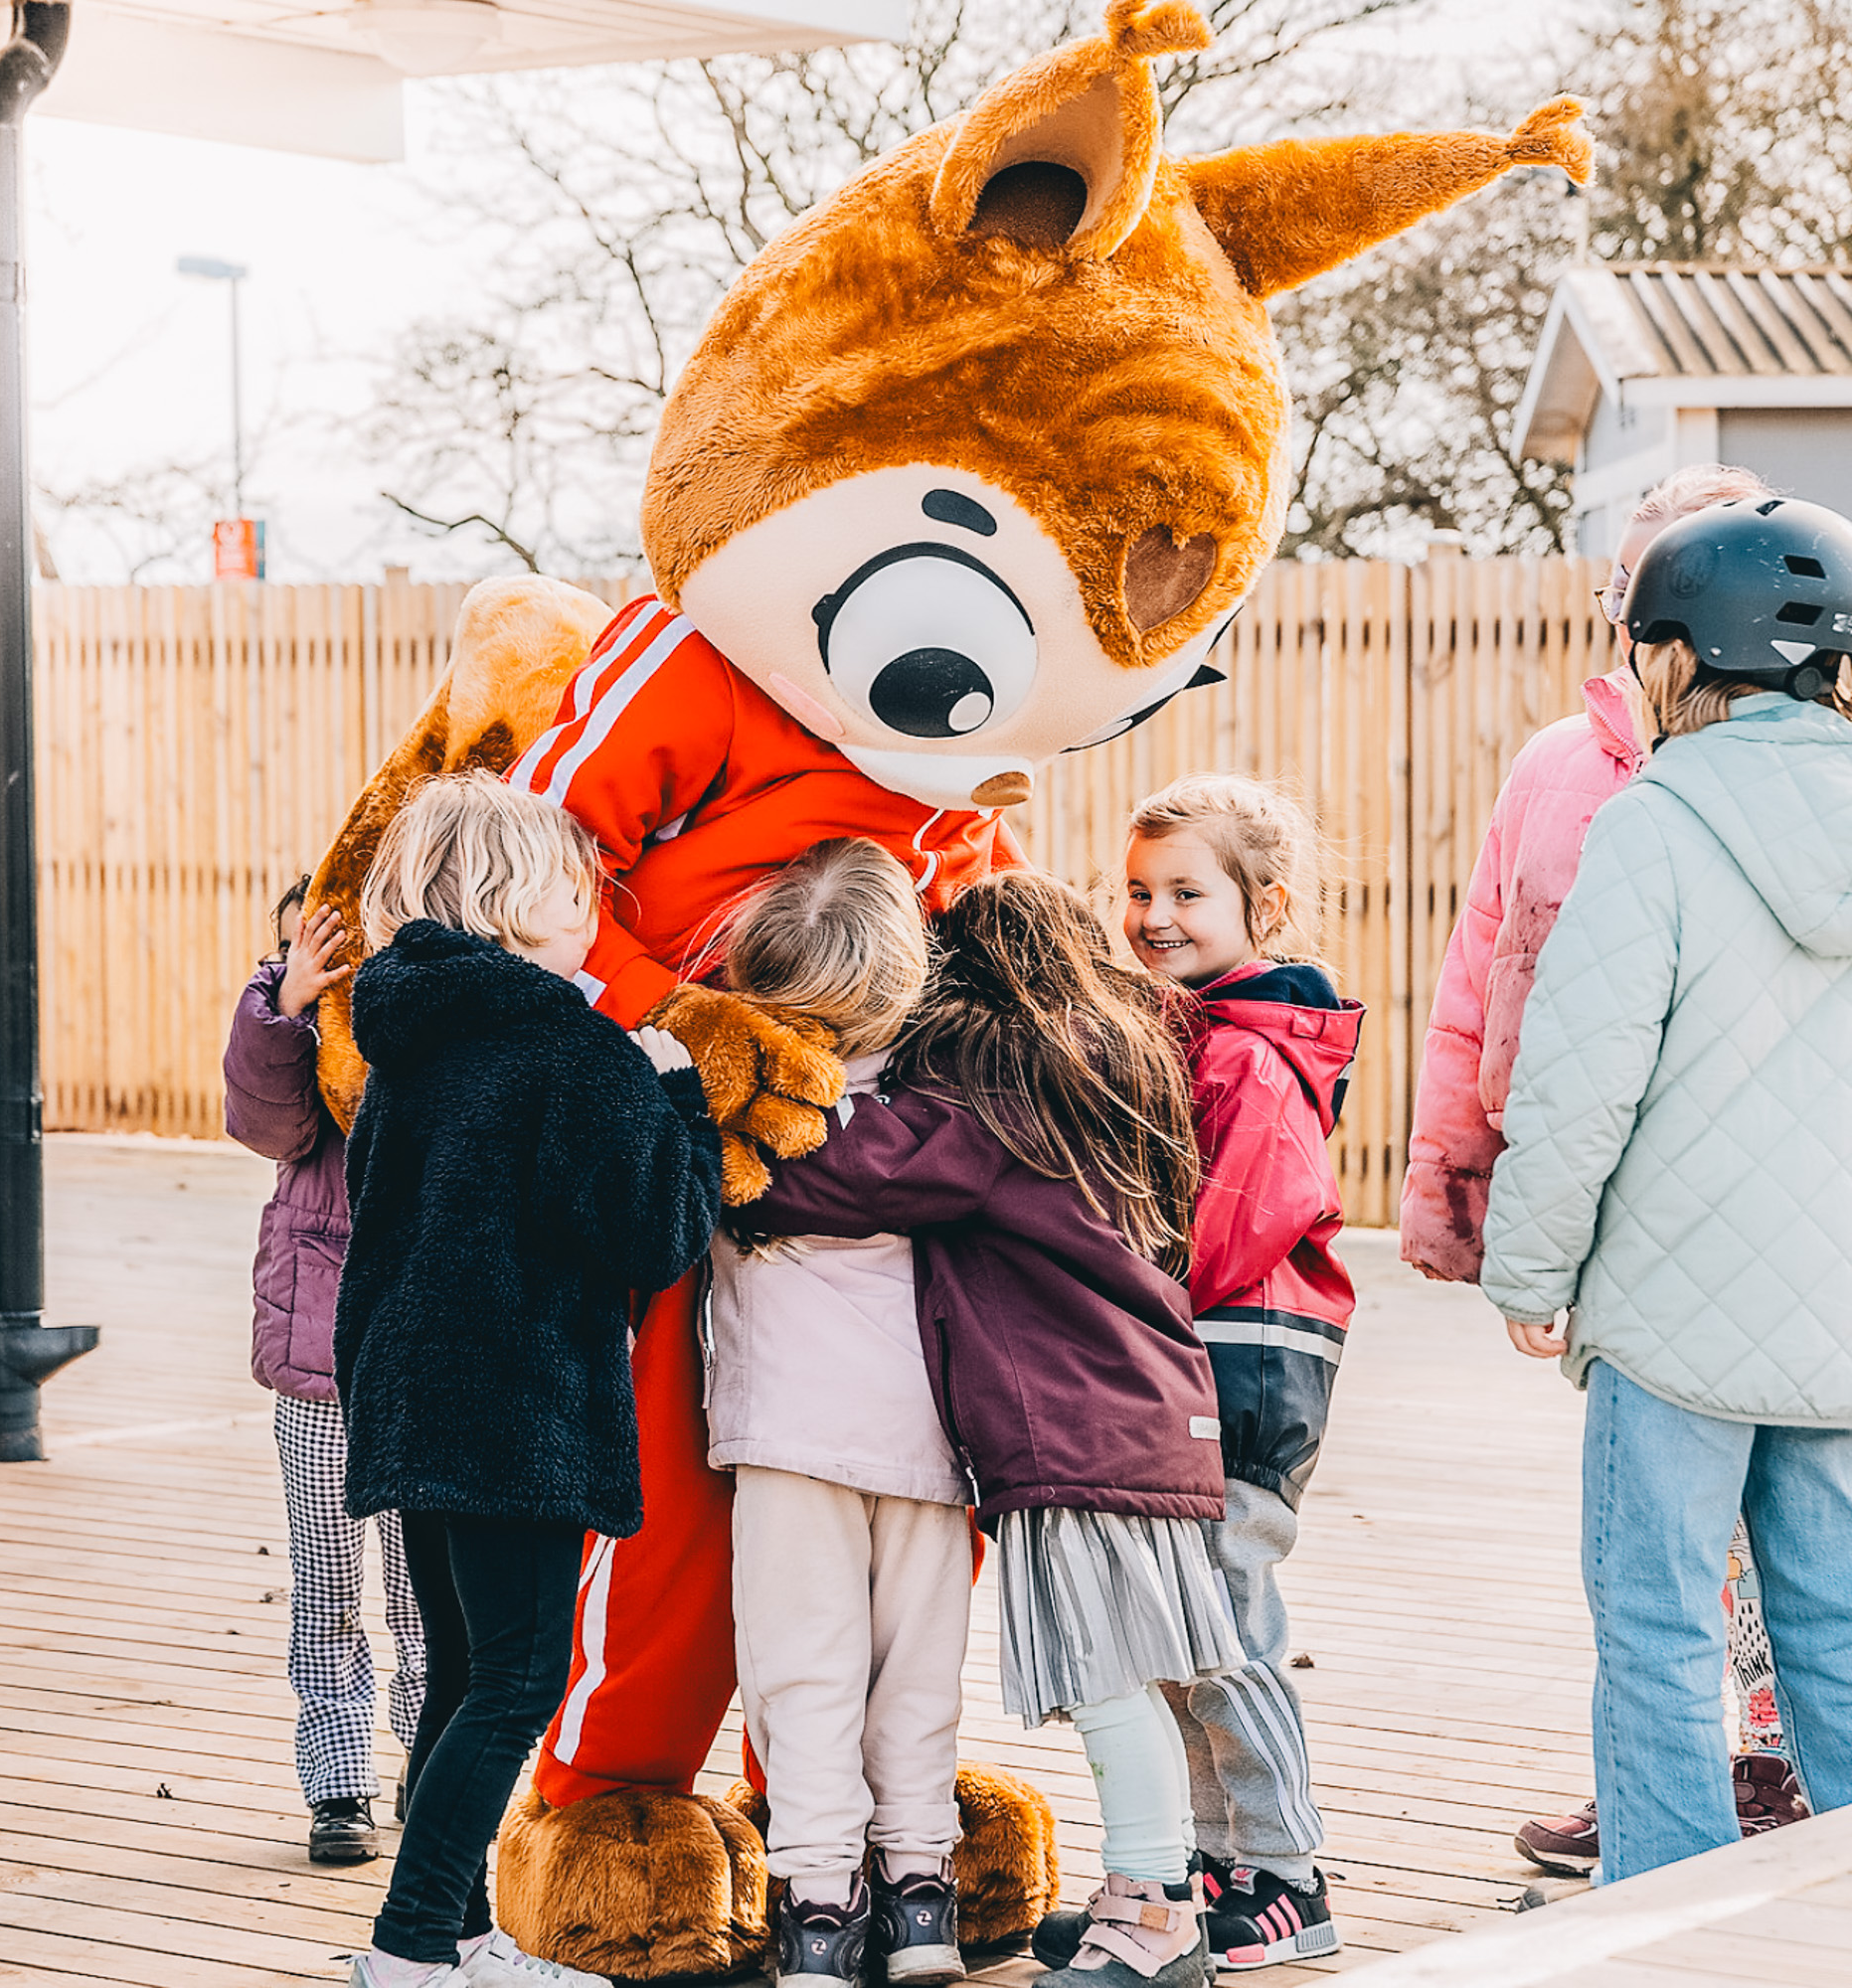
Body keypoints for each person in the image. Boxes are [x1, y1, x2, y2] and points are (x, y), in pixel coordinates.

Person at [1398, 463, 1808, 1873]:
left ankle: (1672, 1893)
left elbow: (1583, 1081)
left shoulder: (1657, 819)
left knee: (1654, 1606)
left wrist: (1531, 1266)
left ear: (1681, 650)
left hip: (1666, 1295)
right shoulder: (1583, 782)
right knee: (1831, 1613)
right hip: (1826, 1297)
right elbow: (1506, 1001)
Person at [737, 872, 1237, 1988]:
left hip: (1075, 1433)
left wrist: (719, 1159)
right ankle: (1143, 1893)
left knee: (1108, 1679)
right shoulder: (1097, 1063)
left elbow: (858, 1170)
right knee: (1132, 1674)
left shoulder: (997, 1083)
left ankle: (1154, 1914)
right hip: (1134, 1417)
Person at [334, 771, 724, 1988]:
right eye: (570, 890)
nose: (589, 907)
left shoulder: (405, 1031)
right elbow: (655, 1234)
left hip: (408, 1383)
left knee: (459, 1665)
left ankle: (452, 1933)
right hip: (521, 1394)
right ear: (508, 900)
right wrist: (678, 1100)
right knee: (513, 1679)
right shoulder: (574, 1048)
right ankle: (408, 1944)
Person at [704, 840, 968, 1988]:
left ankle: (818, 1900)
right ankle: (922, 1894)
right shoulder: (953, 1103)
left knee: (801, 1667)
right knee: (919, 1667)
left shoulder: (727, 1107)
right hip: (928, 1429)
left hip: (784, 1434)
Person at [1120, 775, 1361, 1971]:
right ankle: (1222, 1856)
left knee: (1224, 1624)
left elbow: (1229, 1221)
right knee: (1183, 1624)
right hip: (1197, 1353)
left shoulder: (1251, 1054)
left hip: (1247, 1360)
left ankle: (1286, 1870)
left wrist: (1122, 1276)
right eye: (1137, 890)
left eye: (1184, 891)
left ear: (1261, 905)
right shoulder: (1200, 1029)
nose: (1153, 913)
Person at [224, 875, 427, 1865]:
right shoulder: (284, 1022)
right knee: (328, 1578)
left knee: (429, 1584)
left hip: (426, 1349)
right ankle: (337, 1778)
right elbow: (268, 1122)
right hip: (320, 1356)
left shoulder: (433, 1018)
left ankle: (429, 1760)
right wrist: (290, 1005)